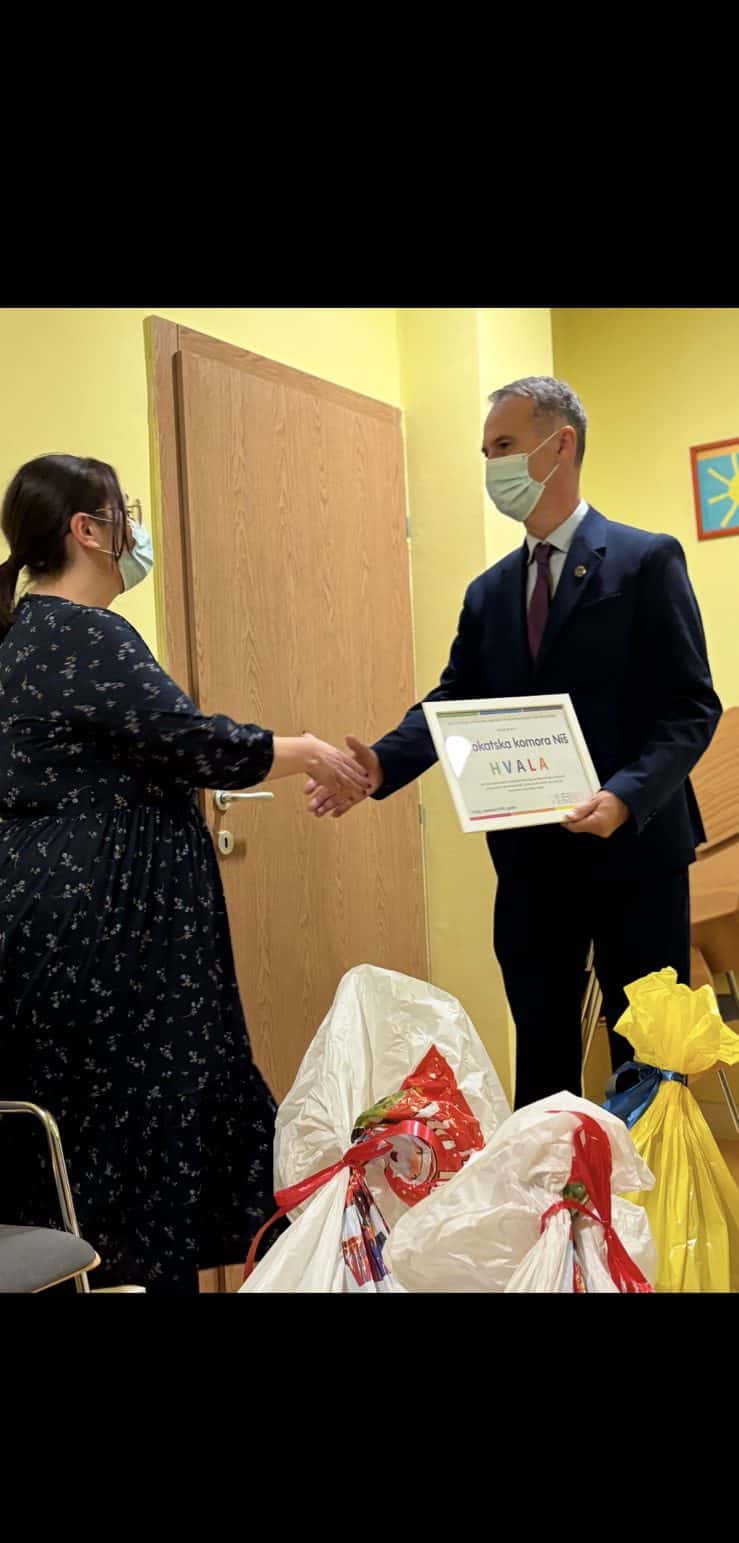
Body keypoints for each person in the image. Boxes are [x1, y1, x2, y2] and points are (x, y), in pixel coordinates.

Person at [0, 453, 371, 1292]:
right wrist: (306, 751)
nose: (135, 530)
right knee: (137, 1134)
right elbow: (192, 741)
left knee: (78, 1142)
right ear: (87, 530)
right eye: (122, 511)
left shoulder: (21, 636)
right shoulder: (85, 631)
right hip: (109, 931)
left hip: (44, 918)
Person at [305, 377, 722, 1109]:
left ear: (560, 445)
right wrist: (380, 763)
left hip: (635, 852)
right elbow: (454, 702)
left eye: (503, 445)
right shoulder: (489, 592)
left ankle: (644, 1185)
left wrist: (623, 798)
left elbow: (691, 707)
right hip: (532, 862)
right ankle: (547, 1180)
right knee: (542, 1052)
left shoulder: (644, 561)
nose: (491, 465)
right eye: (485, 452)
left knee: (648, 1063)